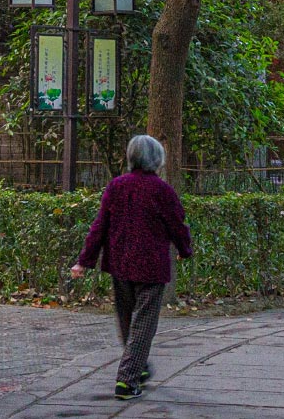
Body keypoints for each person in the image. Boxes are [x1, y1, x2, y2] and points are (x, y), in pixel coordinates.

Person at [70, 133, 194, 400]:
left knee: (127, 321)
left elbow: (99, 226)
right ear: (157, 159)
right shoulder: (163, 190)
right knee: (144, 324)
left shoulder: (116, 186)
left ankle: (139, 367)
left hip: (120, 263)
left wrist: (85, 260)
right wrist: (184, 250)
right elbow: (177, 224)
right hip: (151, 266)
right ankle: (127, 380)